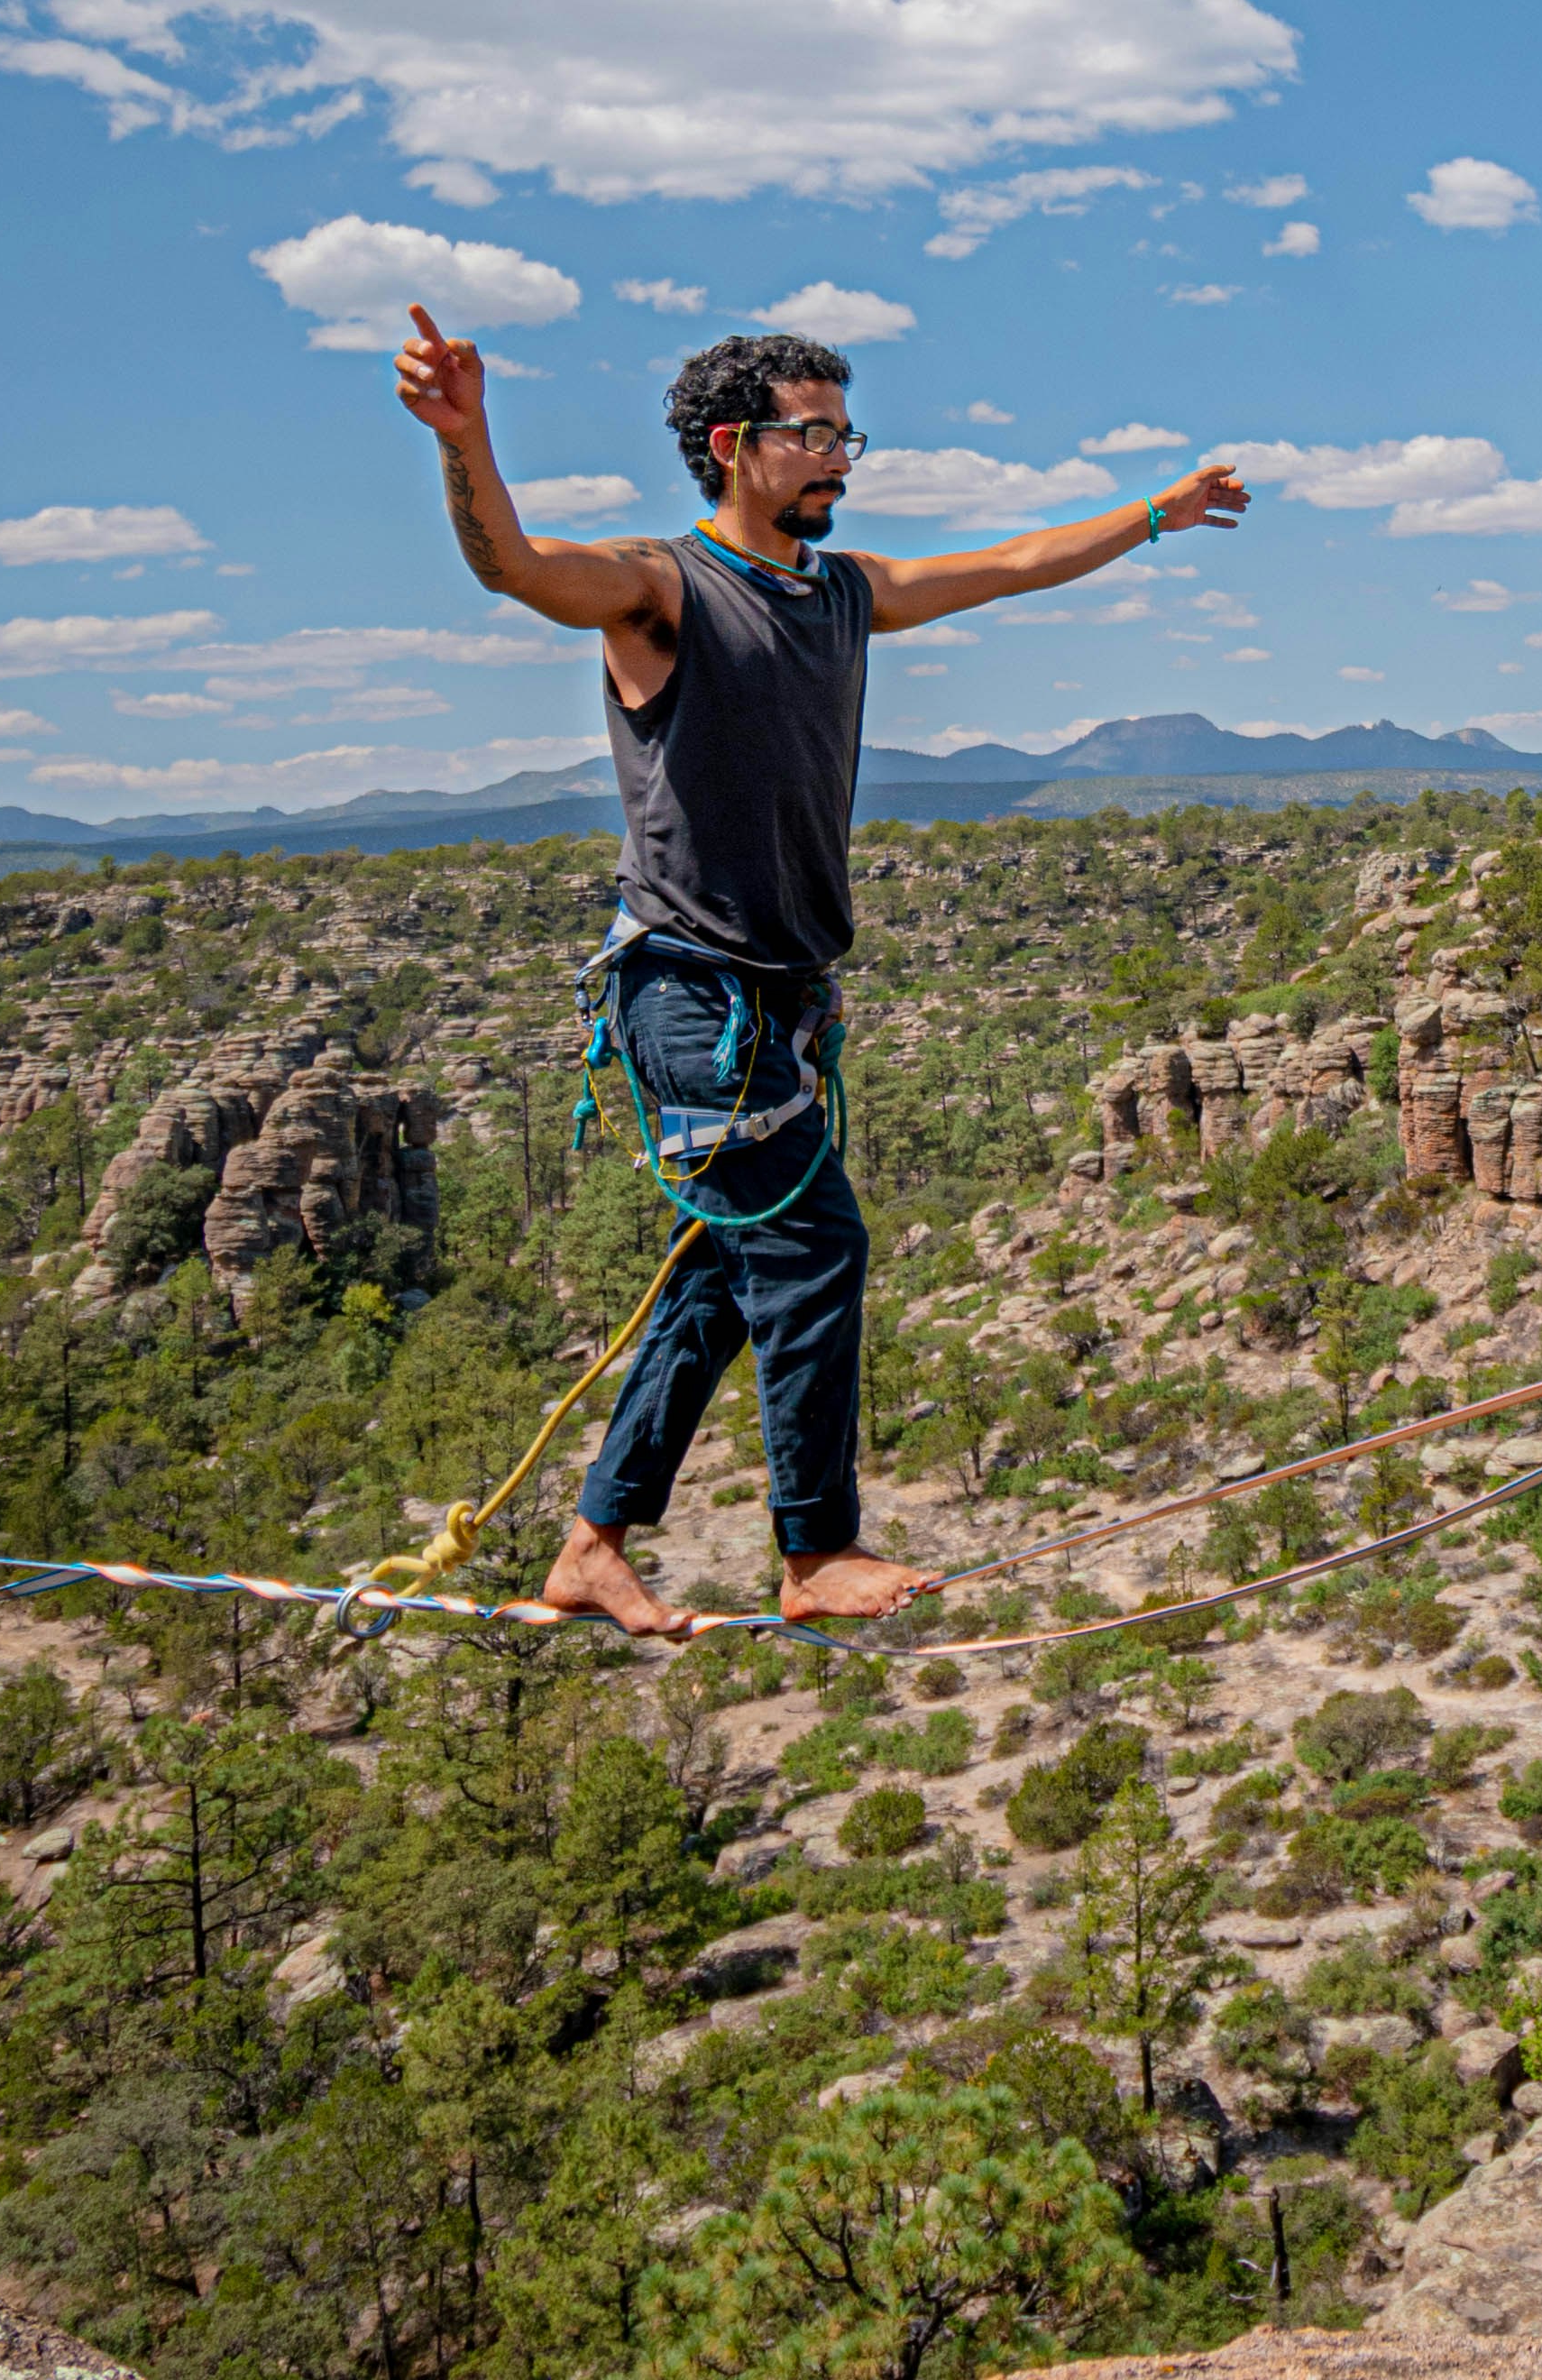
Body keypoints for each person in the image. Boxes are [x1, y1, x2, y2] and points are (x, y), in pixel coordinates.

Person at [391, 301, 1246, 1629]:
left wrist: (1157, 514)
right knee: (811, 1246)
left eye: (849, 436)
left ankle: (593, 1544)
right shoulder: (663, 590)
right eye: (818, 436)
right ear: (736, 447)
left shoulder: (844, 594)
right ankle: (812, 1554)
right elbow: (514, 566)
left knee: (723, 1272)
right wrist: (467, 437)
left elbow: (1014, 564)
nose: (843, 459)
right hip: (693, 996)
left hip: (779, 1004)